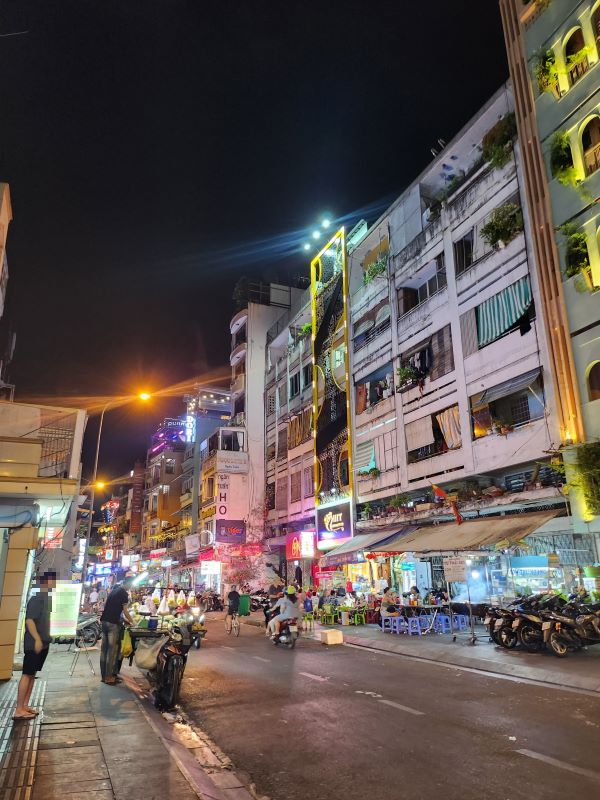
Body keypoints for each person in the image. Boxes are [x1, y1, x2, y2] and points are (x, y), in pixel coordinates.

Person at [14, 571, 57, 720]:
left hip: (43, 643)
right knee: (27, 674)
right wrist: (37, 639)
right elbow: (29, 620)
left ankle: (25, 705)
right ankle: (19, 709)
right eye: (52, 582)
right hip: (34, 644)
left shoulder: (47, 598)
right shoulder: (37, 598)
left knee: (32, 675)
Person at [100, 579, 134, 685]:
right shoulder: (124, 594)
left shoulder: (113, 591)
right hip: (112, 625)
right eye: (130, 585)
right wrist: (133, 622)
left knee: (104, 651)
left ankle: (104, 676)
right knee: (112, 652)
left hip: (104, 622)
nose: (130, 587)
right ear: (127, 584)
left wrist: (125, 621)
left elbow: (113, 609)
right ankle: (109, 677)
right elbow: (125, 611)